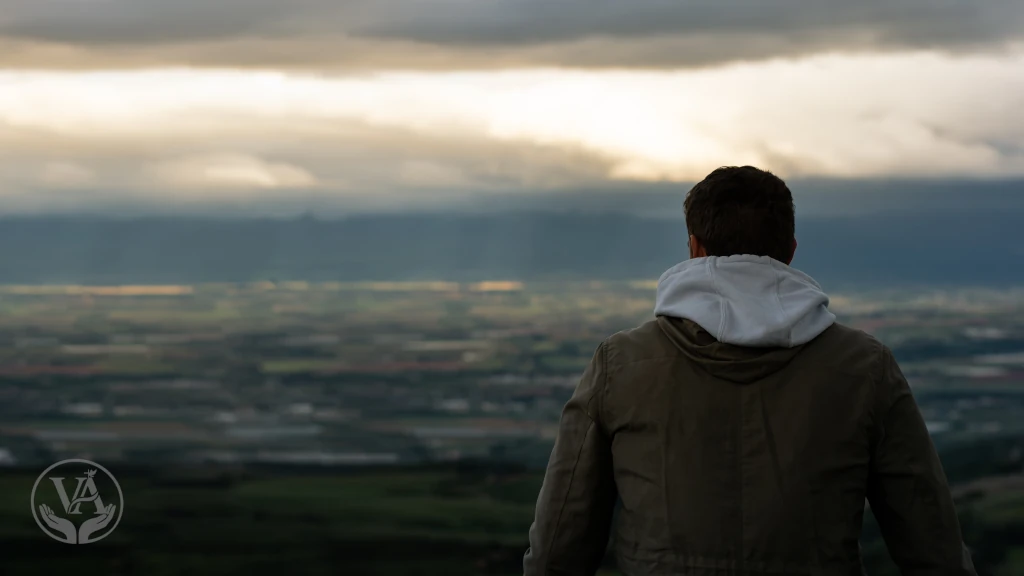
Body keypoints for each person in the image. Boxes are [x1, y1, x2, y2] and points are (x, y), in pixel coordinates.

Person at [523, 166, 976, 576]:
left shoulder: (621, 363)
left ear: (694, 249)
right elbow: (931, 546)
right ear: (790, 252)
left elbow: (559, 545)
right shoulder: (864, 366)